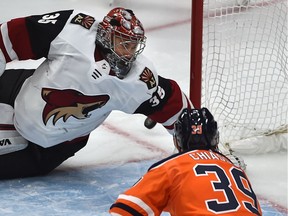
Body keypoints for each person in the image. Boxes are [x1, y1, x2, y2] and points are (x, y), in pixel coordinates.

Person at [0, 7, 192, 179]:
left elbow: (175, 106)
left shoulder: (138, 82)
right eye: (123, 43)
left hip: (48, 145)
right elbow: (10, 36)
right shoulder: (71, 29)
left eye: (133, 46)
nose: (129, 53)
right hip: (23, 87)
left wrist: (196, 143)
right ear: (105, 35)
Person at [110, 108, 262, 215]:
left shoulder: (172, 166)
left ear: (177, 141)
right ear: (215, 138)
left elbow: (126, 210)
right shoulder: (235, 169)